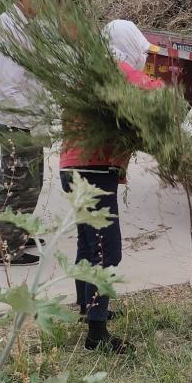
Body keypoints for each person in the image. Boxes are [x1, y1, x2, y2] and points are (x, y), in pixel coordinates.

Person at [60, 20, 162, 354]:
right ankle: (96, 335)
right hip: (91, 171)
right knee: (107, 249)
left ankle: (88, 307)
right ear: (126, 44)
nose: (142, 60)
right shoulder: (109, 66)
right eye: (141, 52)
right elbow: (149, 89)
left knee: (89, 243)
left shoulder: (91, 67)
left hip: (77, 168)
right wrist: (170, 97)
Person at [0, 0, 60, 266]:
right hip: (16, 122)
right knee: (16, 184)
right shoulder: (10, 29)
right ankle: (5, 249)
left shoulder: (25, 25)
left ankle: (18, 233)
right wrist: (30, 120)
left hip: (27, 120)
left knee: (31, 182)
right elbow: (10, 85)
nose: (45, 5)